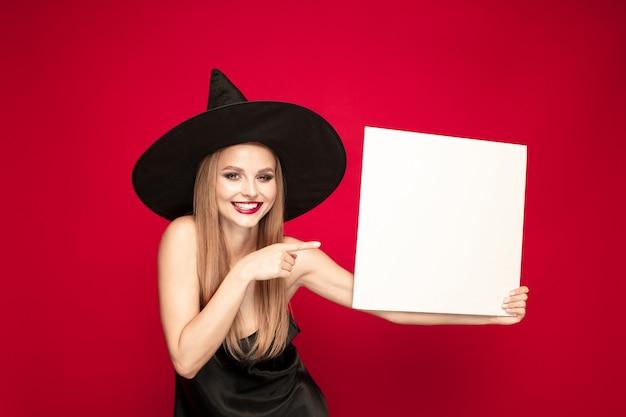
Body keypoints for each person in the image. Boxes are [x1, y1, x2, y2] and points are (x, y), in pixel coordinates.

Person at [132, 69, 530, 417]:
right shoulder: (185, 236)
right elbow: (186, 360)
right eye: (233, 175)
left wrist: (489, 314)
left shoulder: (294, 256)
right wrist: (244, 272)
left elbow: (388, 305)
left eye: (265, 177)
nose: (250, 191)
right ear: (209, 181)